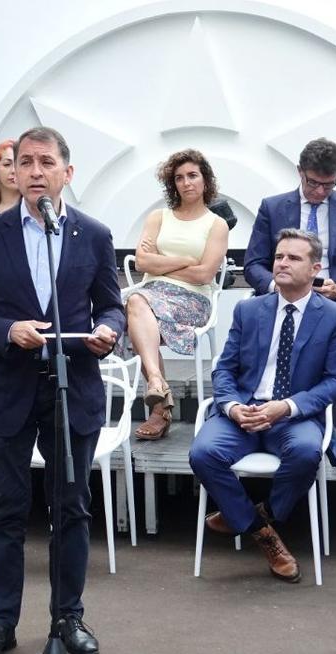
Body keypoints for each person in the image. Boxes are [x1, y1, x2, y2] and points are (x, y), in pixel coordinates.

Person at [0, 126, 125, 654]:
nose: (35, 171)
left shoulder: (93, 235)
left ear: (67, 173)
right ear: (15, 172)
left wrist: (109, 331)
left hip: (72, 389)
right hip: (6, 391)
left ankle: (67, 618)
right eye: (25, 162)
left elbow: (112, 305)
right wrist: (7, 332)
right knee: (4, 510)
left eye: (46, 162)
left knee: (70, 509)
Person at [190, 229, 336, 584]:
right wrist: (232, 406)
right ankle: (264, 535)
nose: (282, 263)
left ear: (315, 268)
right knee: (203, 452)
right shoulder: (249, 310)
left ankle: (252, 515)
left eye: (293, 258)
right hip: (244, 413)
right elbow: (225, 368)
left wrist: (288, 407)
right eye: (279, 256)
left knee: (308, 451)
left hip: (293, 417)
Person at [124, 149, 228, 440]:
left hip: (193, 299)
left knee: (136, 306)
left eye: (192, 175)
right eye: (179, 178)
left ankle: (159, 404)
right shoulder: (158, 217)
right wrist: (186, 261)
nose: (186, 182)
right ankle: (157, 384)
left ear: (205, 180)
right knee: (137, 303)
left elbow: (204, 275)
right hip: (150, 294)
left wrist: (163, 262)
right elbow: (143, 262)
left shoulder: (216, 224)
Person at [243, 138, 336, 314]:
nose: (320, 191)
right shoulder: (272, 208)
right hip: (280, 296)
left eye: (329, 184)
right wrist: (276, 286)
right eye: (313, 182)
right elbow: (253, 264)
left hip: (333, 301)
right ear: (300, 171)